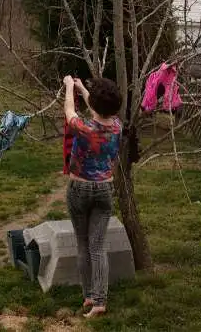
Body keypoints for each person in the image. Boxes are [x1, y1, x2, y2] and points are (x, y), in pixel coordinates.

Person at [62, 75, 122, 319]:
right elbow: (97, 107)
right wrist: (82, 88)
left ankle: (88, 294)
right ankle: (99, 301)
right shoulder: (117, 125)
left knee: (83, 244)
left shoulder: (83, 128)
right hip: (105, 189)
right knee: (98, 247)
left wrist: (69, 86)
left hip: (80, 189)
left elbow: (69, 111)